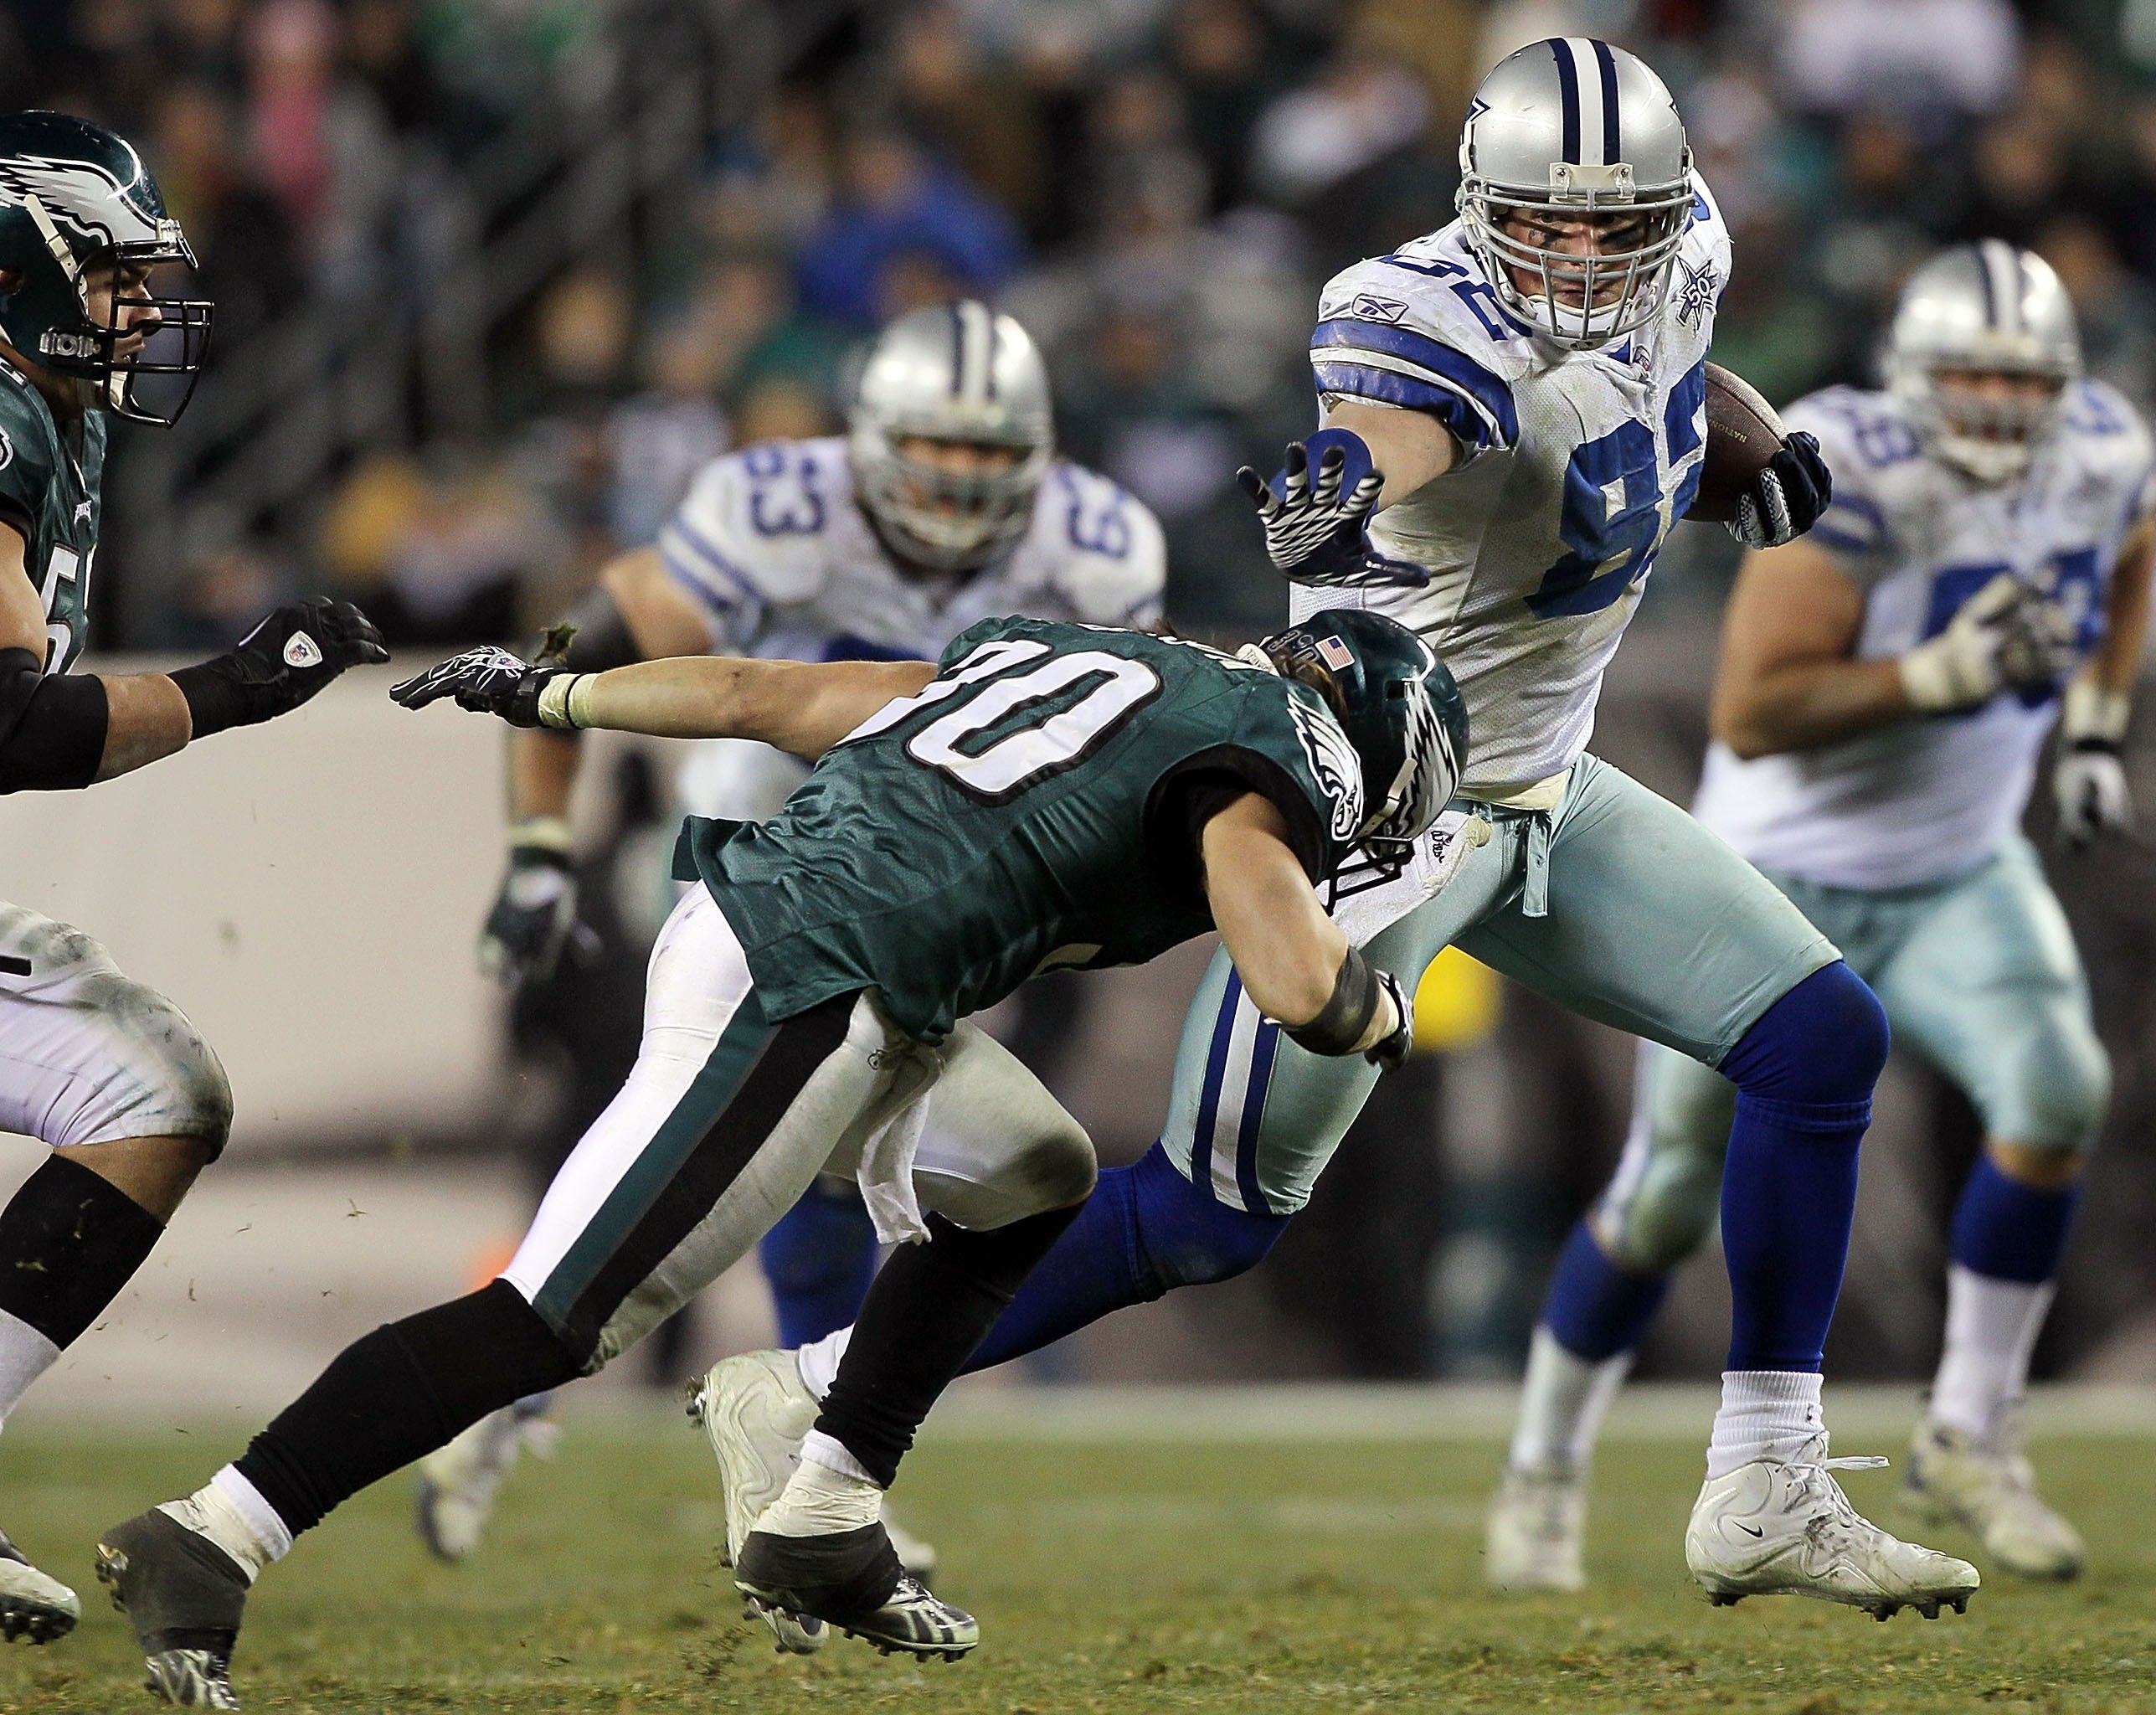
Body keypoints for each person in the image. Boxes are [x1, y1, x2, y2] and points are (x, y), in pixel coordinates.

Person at [697, 38, 1978, 1622]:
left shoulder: (1686, 245)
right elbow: (1397, 433)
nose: (1581, 260)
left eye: (1613, 230)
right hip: (1380, 815)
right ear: (1475, 200)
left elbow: (1666, 379)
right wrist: (1342, 489)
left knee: (1820, 1039)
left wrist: (1755, 451)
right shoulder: (1407, 311)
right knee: (1206, 1215)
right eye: (1544, 226)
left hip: (1546, 791)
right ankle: (809, 1388)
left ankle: (1769, 1480)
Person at [96, 607, 1464, 1708]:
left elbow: (767, 693)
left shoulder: (1087, 652)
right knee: (555, 1314)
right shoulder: (1267, 755)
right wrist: (1383, 1010)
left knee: (1037, 1170)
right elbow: (1295, 981)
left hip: (805, 937)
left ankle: (828, 1504)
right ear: (1376, 744)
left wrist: (555, 696)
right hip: (812, 985)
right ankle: (215, 1530)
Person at [419, 299, 1163, 1570]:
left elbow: (1106, 762)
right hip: (760, 856)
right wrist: (540, 848)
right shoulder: (775, 511)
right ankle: (549, 1402)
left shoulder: (1100, 547)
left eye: (994, 453)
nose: (965, 477)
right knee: (709, 1159)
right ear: (869, 436)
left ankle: (757, 1460)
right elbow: (576, 654)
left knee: (813, 1173)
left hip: (938, 880)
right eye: (941, 445)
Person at [1489, 239, 2156, 1591]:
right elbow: (1751, 709)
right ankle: (1543, 1467)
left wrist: (2093, 727)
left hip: (1957, 866)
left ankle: (1970, 1427)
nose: (1990, 407)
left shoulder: (2099, 451)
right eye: (1963, 377)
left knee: (2058, 1086)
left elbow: (2130, 549)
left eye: (2017, 380)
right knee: (1668, 1189)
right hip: (1778, 872)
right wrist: (1942, 672)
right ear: (1910, 380)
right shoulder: (1858, 476)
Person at [0, 111, 388, 1645]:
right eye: (112, 279)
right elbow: (11, 723)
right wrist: (234, 686)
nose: (144, 312)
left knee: (150, 1091)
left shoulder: (47, 412)